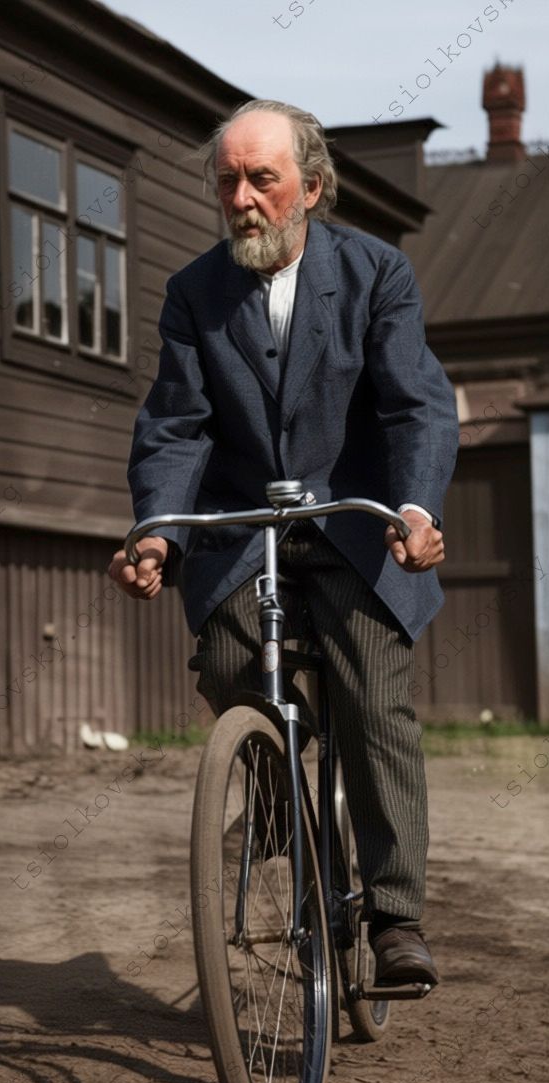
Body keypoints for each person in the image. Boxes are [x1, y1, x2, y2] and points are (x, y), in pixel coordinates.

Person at [109, 99, 459, 987]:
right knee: (229, 664)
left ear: (311, 186)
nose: (242, 198)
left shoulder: (377, 272)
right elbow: (176, 429)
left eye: (262, 178)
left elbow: (415, 405)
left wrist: (415, 511)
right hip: (243, 532)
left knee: (370, 695)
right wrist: (155, 533)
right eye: (227, 180)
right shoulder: (194, 292)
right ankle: (271, 796)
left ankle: (392, 916)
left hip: (353, 525)